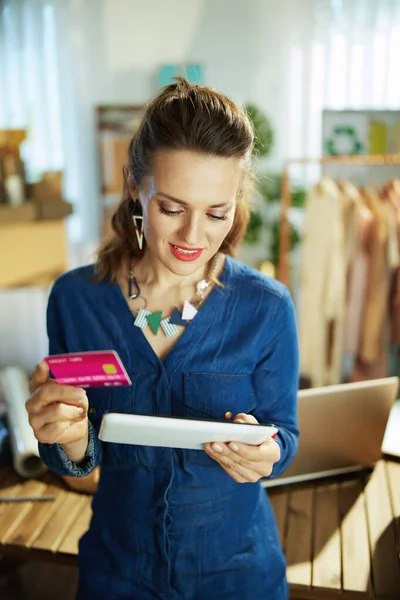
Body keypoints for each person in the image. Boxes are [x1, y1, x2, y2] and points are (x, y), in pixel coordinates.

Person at [26, 77, 299, 600]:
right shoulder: (76, 301)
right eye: (172, 208)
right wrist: (66, 436)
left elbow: (284, 433)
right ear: (135, 184)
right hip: (118, 570)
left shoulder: (266, 307)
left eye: (216, 213)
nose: (193, 237)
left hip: (237, 573)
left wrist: (269, 452)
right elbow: (77, 455)